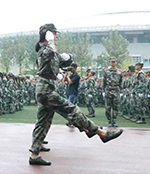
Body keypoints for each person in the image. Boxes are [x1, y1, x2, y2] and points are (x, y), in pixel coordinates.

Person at [29, 24, 122, 166]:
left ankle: (34, 154)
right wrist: (51, 43)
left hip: (47, 89)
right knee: (72, 110)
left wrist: (69, 57)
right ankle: (101, 133)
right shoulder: (45, 50)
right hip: (46, 90)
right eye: (54, 33)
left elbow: (65, 62)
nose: (57, 36)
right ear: (47, 34)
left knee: (43, 121)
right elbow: (49, 54)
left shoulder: (51, 51)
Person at [103, 57, 123, 127]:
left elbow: (120, 82)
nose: (113, 63)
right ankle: (109, 120)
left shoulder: (120, 72)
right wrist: (103, 91)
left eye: (114, 62)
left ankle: (114, 120)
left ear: (116, 63)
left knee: (115, 106)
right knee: (108, 107)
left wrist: (121, 91)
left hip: (116, 89)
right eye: (112, 62)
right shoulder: (106, 71)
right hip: (108, 89)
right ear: (109, 63)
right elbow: (104, 82)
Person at [63, 62, 80, 127]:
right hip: (69, 92)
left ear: (75, 68)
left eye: (72, 68)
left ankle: (72, 122)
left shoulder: (77, 76)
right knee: (69, 108)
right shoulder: (71, 76)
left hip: (73, 93)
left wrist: (68, 76)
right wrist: (66, 74)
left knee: (71, 108)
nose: (71, 70)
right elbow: (65, 80)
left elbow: (70, 82)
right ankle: (71, 121)